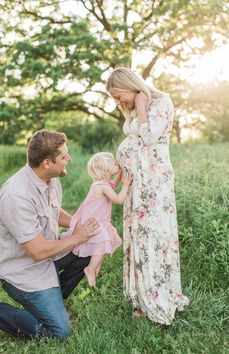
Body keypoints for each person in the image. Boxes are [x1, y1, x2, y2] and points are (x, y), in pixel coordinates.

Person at [106, 67, 189, 325]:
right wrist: (130, 109)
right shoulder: (134, 107)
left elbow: (150, 136)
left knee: (155, 236)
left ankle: (159, 298)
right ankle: (142, 299)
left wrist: (140, 105)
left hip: (154, 184)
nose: (120, 102)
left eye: (120, 96)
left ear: (132, 85)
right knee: (139, 236)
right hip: (137, 184)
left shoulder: (161, 101)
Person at [0, 129, 100, 340]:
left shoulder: (51, 179)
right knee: (59, 332)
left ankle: (52, 300)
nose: (69, 159)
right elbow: (36, 252)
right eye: (64, 156)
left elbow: (53, 211)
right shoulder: (16, 195)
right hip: (24, 270)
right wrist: (76, 237)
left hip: (49, 255)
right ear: (46, 163)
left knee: (93, 244)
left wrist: (78, 225)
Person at [60, 152, 132, 287]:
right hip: (96, 223)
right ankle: (91, 268)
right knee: (103, 242)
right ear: (105, 169)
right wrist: (126, 185)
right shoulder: (101, 186)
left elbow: (113, 185)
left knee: (104, 245)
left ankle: (95, 266)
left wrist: (120, 174)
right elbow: (119, 199)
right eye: (115, 164)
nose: (117, 165)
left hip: (100, 222)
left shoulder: (101, 184)